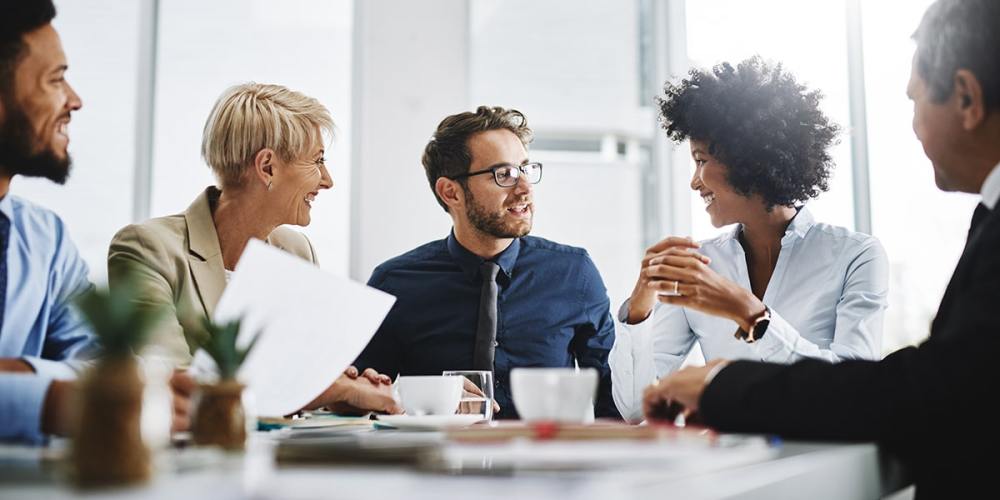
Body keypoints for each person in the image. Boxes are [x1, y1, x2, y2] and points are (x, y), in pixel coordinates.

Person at [642, 0, 1000, 496]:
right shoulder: (989, 217)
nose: (915, 127)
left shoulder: (855, 254)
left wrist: (726, 378)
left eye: (916, 100)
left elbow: (931, 392)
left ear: (967, 98)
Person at [610, 56, 888, 421]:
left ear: (747, 160)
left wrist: (752, 314)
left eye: (701, 160)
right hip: (729, 469)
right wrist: (641, 306)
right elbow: (635, 408)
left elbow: (855, 392)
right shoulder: (700, 265)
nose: (694, 181)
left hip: (817, 467)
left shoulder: (856, 256)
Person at [108, 83, 400, 415]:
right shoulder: (147, 249)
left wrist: (343, 397)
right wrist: (330, 389)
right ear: (267, 167)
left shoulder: (296, 251)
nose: (327, 179)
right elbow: (175, 388)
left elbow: (299, 387)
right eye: (317, 161)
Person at [355, 106, 620, 420]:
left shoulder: (574, 273)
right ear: (450, 192)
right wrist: (414, 394)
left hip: (544, 463)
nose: (524, 188)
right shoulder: (395, 283)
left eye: (525, 169)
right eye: (504, 174)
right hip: (435, 463)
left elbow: (614, 399)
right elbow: (359, 397)